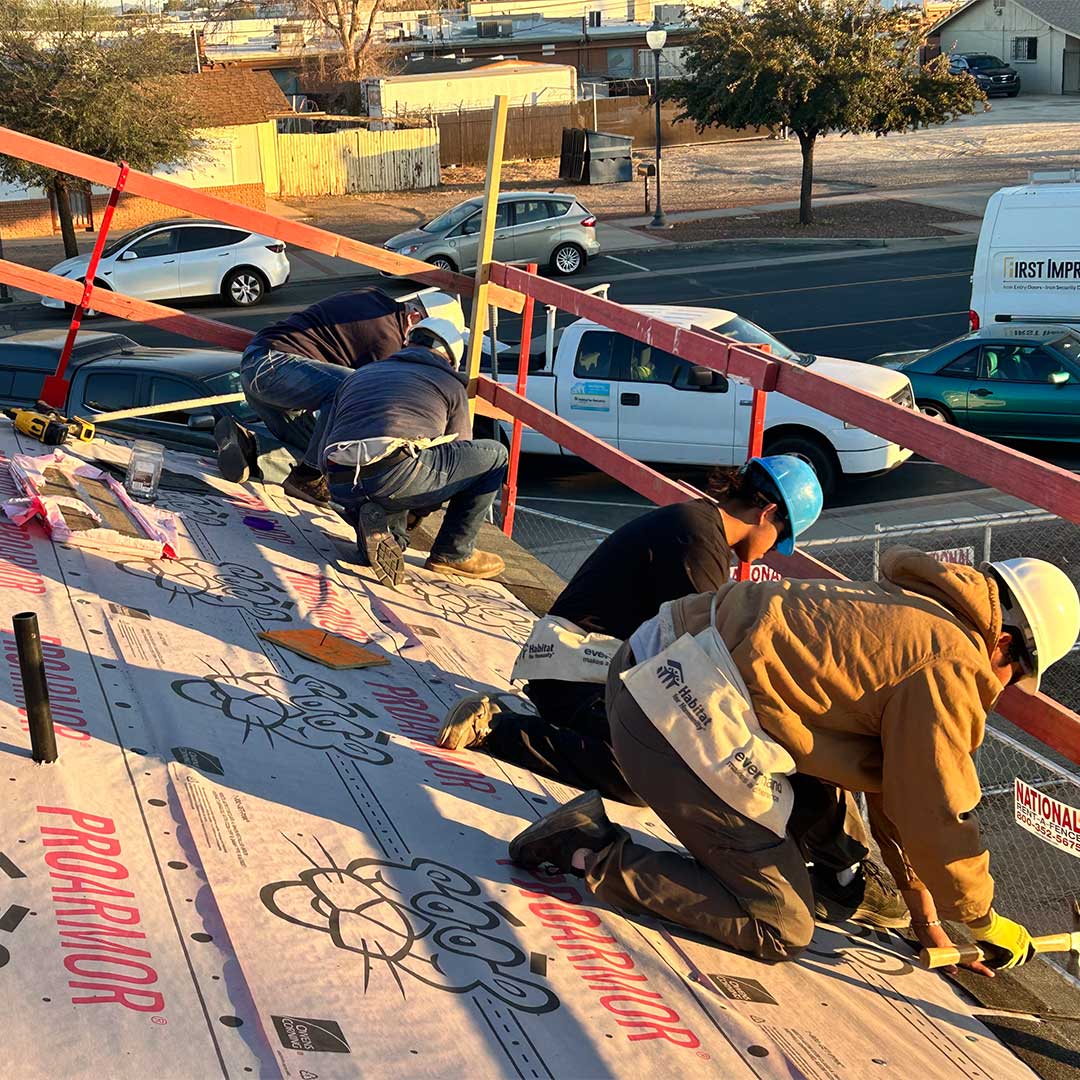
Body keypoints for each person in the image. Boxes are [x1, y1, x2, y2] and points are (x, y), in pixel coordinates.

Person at [508, 547, 1080, 971]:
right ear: (1004, 643)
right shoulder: (954, 665)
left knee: (827, 780)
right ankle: (589, 848)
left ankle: (824, 874)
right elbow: (934, 812)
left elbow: (897, 797)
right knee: (781, 923)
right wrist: (983, 918)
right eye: (1016, 677)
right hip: (672, 711)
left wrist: (931, 921)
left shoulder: (916, 611)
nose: (1002, 691)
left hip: (646, 665)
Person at [436, 457, 822, 805]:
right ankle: (496, 727)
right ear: (768, 512)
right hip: (575, 672)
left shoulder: (698, 525)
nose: (774, 550)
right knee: (642, 774)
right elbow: (699, 655)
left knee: (662, 761)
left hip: (580, 667)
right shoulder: (699, 542)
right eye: (780, 538)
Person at [215, 287, 459, 504]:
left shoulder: (371, 296)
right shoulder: (388, 340)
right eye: (427, 340)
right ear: (413, 318)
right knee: (350, 389)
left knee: (321, 447)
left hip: (260, 367)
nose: (422, 348)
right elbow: (376, 399)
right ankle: (308, 477)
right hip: (274, 367)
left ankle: (249, 444)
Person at [321, 316, 508, 587]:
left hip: (341, 478)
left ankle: (376, 537)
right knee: (495, 455)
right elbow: (456, 457)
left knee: (396, 483)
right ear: (450, 357)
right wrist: (422, 507)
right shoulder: (449, 383)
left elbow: (325, 442)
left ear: (407, 343)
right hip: (396, 473)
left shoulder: (361, 374)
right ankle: (453, 553)